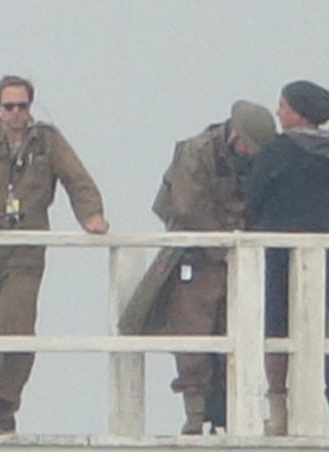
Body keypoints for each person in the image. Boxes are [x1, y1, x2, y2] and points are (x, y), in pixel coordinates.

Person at [0, 75, 107, 434]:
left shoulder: (47, 142)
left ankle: (5, 399)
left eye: (23, 105)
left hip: (25, 250)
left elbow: (77, 180)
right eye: (9, 106)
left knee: (17, 326)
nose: (17, 113)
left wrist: (91, 215)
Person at [118, 101, 275, 434]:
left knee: (233, 332)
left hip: (237, 255)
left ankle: (228, 414)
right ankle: (195, 414)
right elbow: (188, 207)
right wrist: (223, 245)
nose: (250, 153)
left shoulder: (255, 159)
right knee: (192, 335)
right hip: (195, 254)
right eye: (248, 144)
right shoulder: (196, 152)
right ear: (235, 135)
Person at [245, 79, 329, 436]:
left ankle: (278, 410)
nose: (277, 113)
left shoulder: (276, 151)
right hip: (325, 254)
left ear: (298, 111)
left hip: (281, 255)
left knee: (277, 329)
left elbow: (254, 199)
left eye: (283, 106)